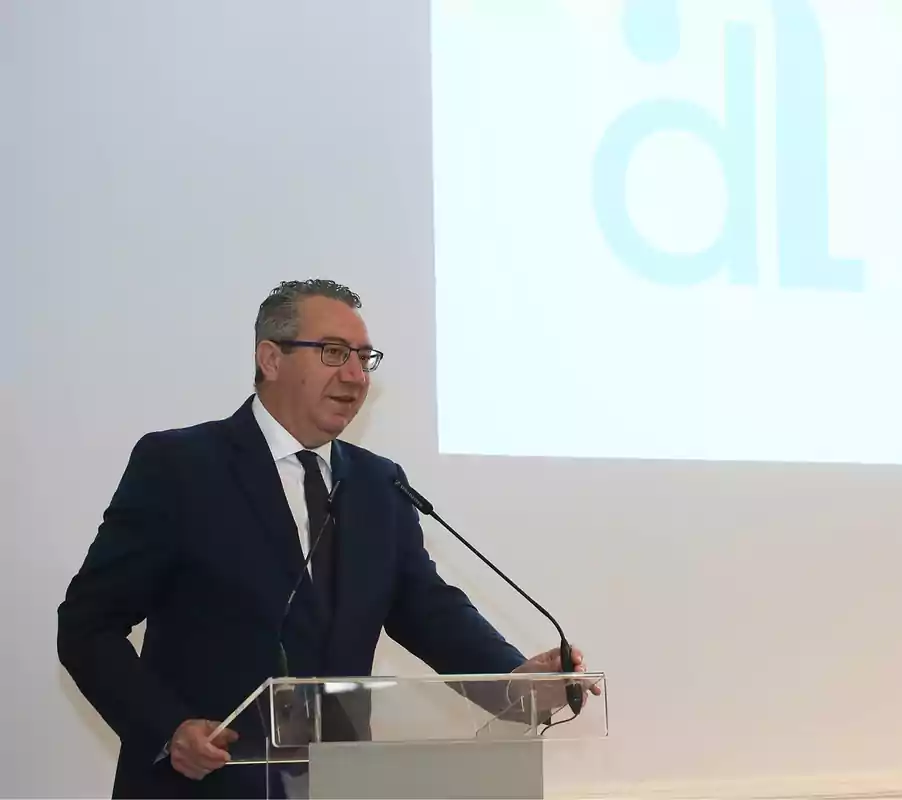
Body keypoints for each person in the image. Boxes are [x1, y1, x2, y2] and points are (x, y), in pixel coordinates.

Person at [57, 279, 591, 798]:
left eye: (365, 358)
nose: (357, 376)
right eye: (335, 353)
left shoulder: (380, 484)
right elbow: (87, 626)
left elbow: (427, 610)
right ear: (271, 359)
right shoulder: (181, 467)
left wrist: (511, 678)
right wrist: (169, 729)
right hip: (205, 786)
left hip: (336, 786)